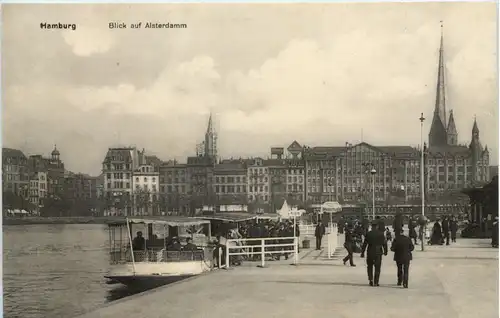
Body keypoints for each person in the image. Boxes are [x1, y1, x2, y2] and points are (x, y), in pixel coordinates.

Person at [360, 222, 388, 287]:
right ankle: (376, 281)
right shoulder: (381, 234)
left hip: (370, 251)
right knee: (377, 267)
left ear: (371, 227)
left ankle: (371, 280)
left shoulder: (368, 234)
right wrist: (385, 251)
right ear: (377, 226)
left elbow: (365, 244)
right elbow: (384, 243)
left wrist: (362, 252)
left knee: (369, 266)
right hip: (378, 252)